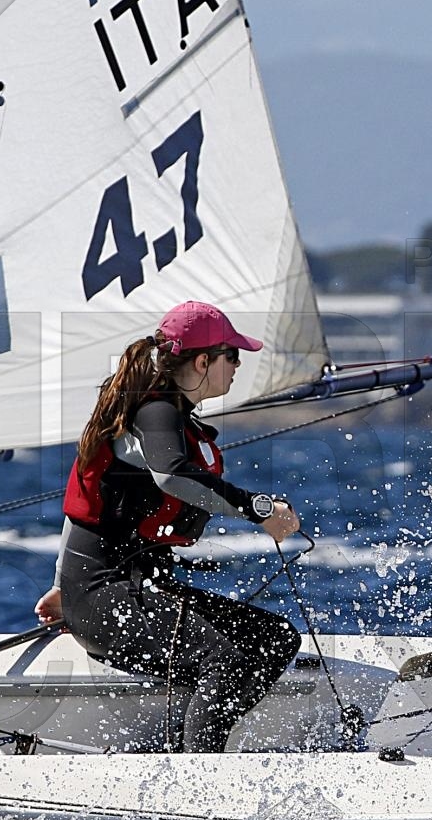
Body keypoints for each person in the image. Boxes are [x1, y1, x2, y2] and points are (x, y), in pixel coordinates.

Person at [34, 301, 303, 752]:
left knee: (274, 638)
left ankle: (179, 751)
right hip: (104, 597)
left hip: (127, 591)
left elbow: (85, 503)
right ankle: (201, 775)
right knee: (224, 657)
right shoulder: (155, 412)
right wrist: (260, 510)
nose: (238, 366)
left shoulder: (165, 413)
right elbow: (172, 475)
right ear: (203, 362)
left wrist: (61, 585)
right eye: (232, 356)